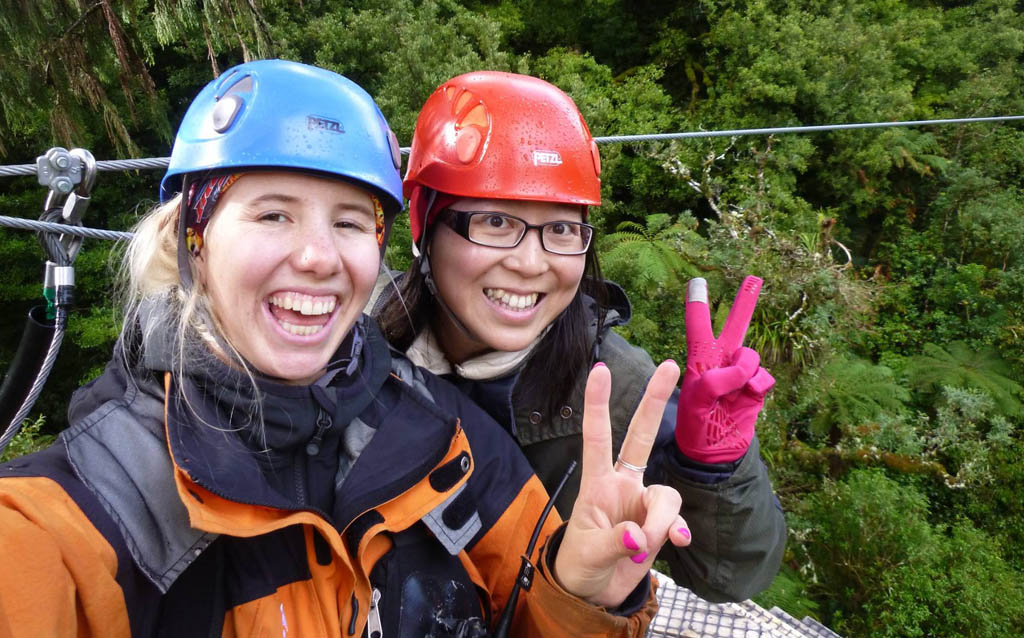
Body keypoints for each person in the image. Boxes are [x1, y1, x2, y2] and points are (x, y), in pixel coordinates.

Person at [0, 60, 690, 637]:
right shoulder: (73, 516)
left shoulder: (448, 437)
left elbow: (529, 612)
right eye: (274, 213)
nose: (318, 256)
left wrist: (584, 591)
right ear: (193, 238)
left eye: (352, 221)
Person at [375, 71, 787, 603]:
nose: (531, 262)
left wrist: (714, 468)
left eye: (562, 229)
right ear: (423, 225)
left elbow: (729, 576)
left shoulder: (615, 388)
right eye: (496, 221)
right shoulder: (365, 344)